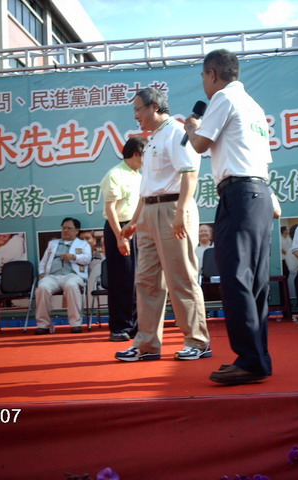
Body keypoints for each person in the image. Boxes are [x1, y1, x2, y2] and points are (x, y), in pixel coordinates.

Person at [185, 49, 274, 385]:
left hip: (238, 195)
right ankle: (258, 358)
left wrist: (192, 126)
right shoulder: (254, 106)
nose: (204, 84)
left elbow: (198, 145)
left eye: (203, 77)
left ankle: (250, 360)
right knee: (255, 281)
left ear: (212, 74)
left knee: (235, 277)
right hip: (259, 193)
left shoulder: (223, 98)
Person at [116, 87, 210, 362]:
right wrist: (134, 221)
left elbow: (190, 174)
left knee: (181, 278)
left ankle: (198, 341)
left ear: (154, 107)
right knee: (146, 281)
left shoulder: (177, 132)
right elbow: (148, 187)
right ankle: (146, 344)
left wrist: (181, 211)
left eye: (137, 109)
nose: (135, 115)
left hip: (172, 209)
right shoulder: (153, 139)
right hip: (148, 212)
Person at [100, 136, 145, 342]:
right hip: (119, 228)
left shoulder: (139, 175)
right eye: (145, 156)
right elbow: (110, 209)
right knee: (122, 279)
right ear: (136, 154)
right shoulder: (115, 174)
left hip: (137, 228)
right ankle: (120, 327)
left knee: (137, 279)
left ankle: (135, 325)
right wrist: (120, 237)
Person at [35, 217, 92, 334]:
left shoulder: (83, 244)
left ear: (77, 230)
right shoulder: (52, 244)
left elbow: (87, 259)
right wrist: (42, 274)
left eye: (69, 228)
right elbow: (43, 262)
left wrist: (73, 257)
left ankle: (76, 324)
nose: (66, 230)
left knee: (71, 286)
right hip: (52, 276)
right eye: (64, 228)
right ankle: (43, 325)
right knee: (42, 287)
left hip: (73, 275)